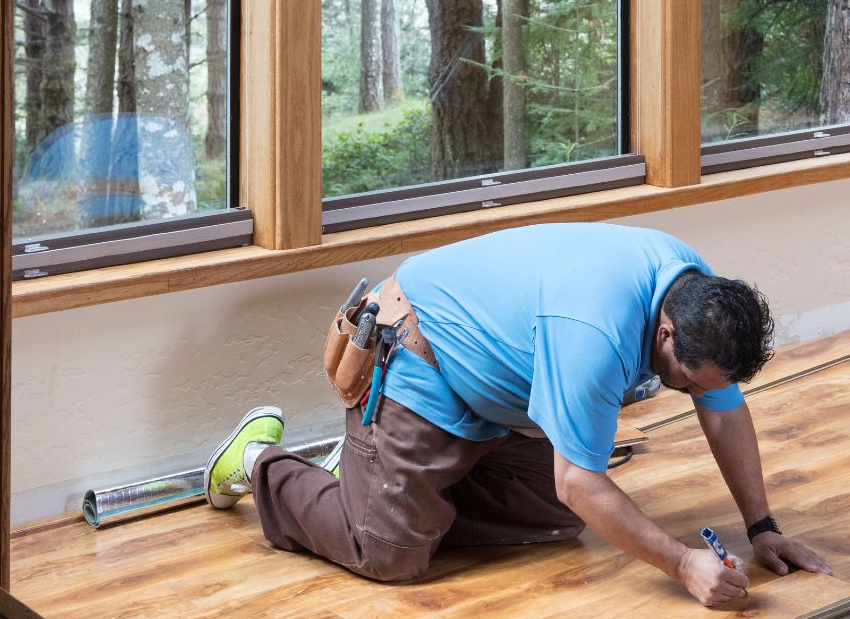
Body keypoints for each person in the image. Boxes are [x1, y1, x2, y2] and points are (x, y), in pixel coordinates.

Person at [202, 223, 833, 608]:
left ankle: (376, 475)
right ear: (665, 332)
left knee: (556, 519)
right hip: (420, 358)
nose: (692, 395)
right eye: (687, 383)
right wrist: (681, 563)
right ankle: (261, 461)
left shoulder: (700, 300)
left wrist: (764, 527)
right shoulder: (596, 331)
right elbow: (580, 479)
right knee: (390, 552)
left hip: (496, 394)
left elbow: (724, 411)